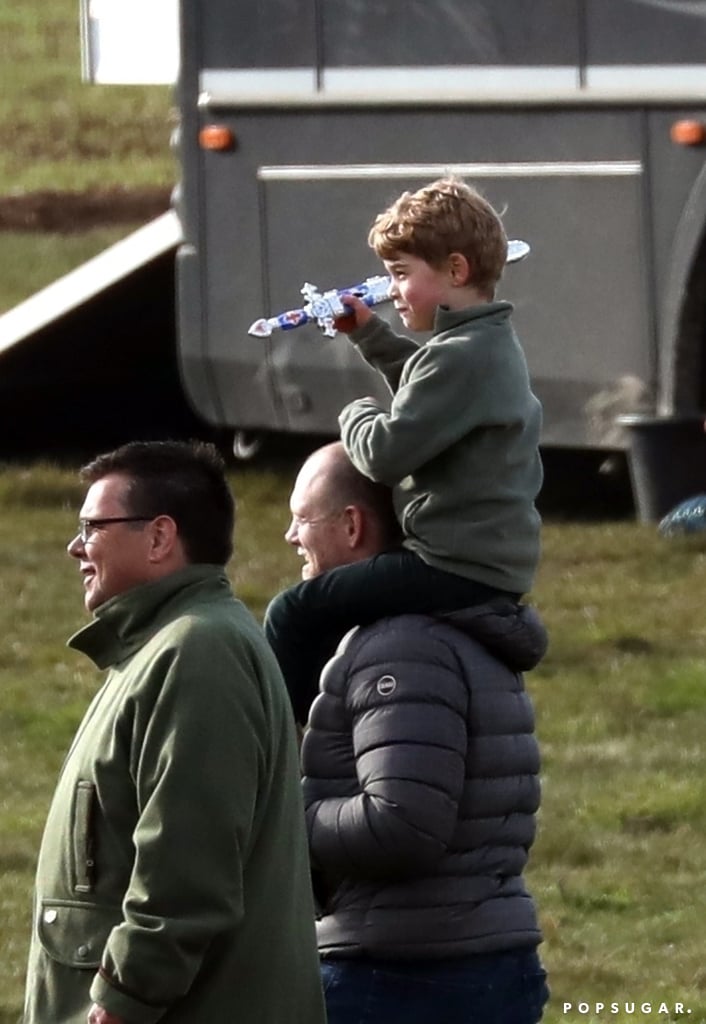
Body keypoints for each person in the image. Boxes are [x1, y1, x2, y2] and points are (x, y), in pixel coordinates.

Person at [22, 440, 325, 1024]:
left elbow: (186, 875)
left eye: (92, 527)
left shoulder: (199, 652)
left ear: (160, 537)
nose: (74, 547)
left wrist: (118, 1006)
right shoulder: (162, 648)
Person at [287, 442, 549, 1024]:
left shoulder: (402, 646)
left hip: (410, 979)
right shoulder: (431, 633)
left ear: (352, 526)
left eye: (301, 519)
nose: (289, 536)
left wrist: (279, 816)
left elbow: (401, 824)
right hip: (455, 965)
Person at [265, 175, 543, 722]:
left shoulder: (459, 356)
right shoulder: (481, 345)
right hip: (483, 562)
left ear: (456, 270)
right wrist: (368, 333)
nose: (391, 290)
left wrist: (355, 413)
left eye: (400, 274)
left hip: (453, 565)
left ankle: (285, 742)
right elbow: (429, 395)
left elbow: (386, 454)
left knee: (295, 612)